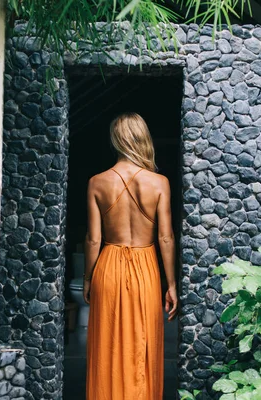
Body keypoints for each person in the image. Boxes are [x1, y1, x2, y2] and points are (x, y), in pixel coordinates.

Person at [83, 112, 178, 400]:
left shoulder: (97, 182)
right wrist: (171, 284)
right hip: (146, 268)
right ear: (142, 138)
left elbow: (93, 239)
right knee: (143, 342)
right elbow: (165, 237)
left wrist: (88, 279)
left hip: (108, 266)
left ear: (116, 140)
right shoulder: (159, 182)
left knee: (107, 344)